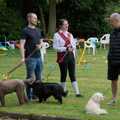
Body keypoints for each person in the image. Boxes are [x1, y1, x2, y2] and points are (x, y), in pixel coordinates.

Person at [53, 19, 83, 97]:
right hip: (62, 57)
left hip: (71, 56)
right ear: (60, 26)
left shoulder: (70, 34)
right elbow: (55, 47)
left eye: (67, 24)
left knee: (72, 74)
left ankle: (77, 93)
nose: (67, 25)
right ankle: (63, 92)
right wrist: (65, 48)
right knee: (63, 75)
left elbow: (73, 45)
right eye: (65, 24)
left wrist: (73, 49)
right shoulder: (56, 35)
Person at [20, 13, 43, 100]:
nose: (36, 20)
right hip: (30, 58)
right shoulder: (25, 30)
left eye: (36, 18)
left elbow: (41, 41)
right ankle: (28, 96)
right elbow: (22, 45)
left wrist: (40, 46)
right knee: (30, 78)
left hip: (39, 57)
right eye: (34, 18)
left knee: (38, 77)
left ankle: (36, 95)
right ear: (29, 19)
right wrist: (22, 57)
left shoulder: (38, 30)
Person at [107, 13, 120, 105]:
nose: (110, 23)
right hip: (112, 61)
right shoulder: (112, 32)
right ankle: (114, 99)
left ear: (117, 20)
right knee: (113, 80)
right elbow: (111, 47)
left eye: (111, 21)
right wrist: (109, 57)